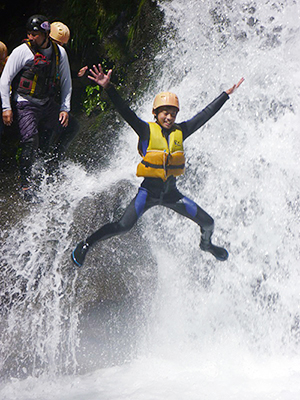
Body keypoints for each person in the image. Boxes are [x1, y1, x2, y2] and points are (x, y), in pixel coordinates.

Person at [71, 64, 244, 266]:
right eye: (165, 113)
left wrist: (226, 94)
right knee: (122, 226)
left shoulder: (182, 131)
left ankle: (206, 245)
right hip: (148, 194)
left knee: (209, 223)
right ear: (155, 113)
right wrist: (108, 87)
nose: (169, 117)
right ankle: (85, 245)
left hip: (172, 195)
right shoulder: (145, 130)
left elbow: (204, 115)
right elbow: (125, 111)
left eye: (173, 113)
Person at [0, 15, 78, 201]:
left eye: (35, 34)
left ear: (45, 34)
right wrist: (6, 107)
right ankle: (25, 184)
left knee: (72, 127)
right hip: (24, 102)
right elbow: (5, 80)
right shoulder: (22, 51)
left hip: (46, 103)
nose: (31, 37)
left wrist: (64, 109)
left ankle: (53, 161)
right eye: (29, 34)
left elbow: (66, 82)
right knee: (30, 140)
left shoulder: (60, 53)